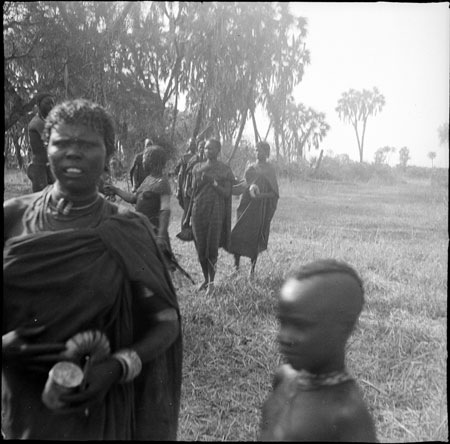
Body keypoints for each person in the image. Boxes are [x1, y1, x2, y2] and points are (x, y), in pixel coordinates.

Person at [3, 99, 182, 440]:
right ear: (47, 147)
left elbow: (165, 321)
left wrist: (117, 367)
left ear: (108, 155)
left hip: (96, 408)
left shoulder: (128, 230)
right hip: (22, 402)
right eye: (61, 143)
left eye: (86, 145)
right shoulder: (12, 217)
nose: (73, 153)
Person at [259, 259, 377, 442]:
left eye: (300, 326)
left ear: (343, 329)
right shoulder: (284, 377)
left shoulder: (347, 414)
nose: (283, 337)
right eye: (282, 322)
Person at [105, 144, 173, 261]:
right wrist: (115, 190)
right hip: (143, 227)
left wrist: (161, 235)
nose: (143, 162)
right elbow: (133, 198)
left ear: (153, 161)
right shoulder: (148, 179)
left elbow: (165, 210)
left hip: (155, 230)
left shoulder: (162, 182)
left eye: (145, 158)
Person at [228, 141, 279, 278]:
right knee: (237, 233)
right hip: (245, 206)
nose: (258, 152)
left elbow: (274, 193)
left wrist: (260, 195)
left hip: (259, 209)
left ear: (266, 152)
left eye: (261, 150)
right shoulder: (250, 167)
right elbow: (244, 184)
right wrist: (228, 189)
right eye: (256, 150)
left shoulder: (270, 170)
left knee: (254, 238)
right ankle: (236, 267)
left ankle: (252, 270)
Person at [191, 138, 234, 294]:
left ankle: (212, 283)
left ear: (218, 150)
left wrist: (213, 182)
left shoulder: (224, 170)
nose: (207, 151)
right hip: (198, 210)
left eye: (211, 148)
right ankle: (205, 278)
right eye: (206, 148)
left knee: (212, 247)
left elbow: (227, 193)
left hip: (216, 211)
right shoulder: (197, 168)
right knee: (200, 247)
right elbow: (192, 192)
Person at [27, 92, 55, 192]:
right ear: (39, 104)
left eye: (53, 103)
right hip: (39, 167)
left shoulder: (46, 122)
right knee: (41, 198)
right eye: (48, 103)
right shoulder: (37, 123)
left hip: (48, 166)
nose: (51, 106)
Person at [174, 138, 198, 221]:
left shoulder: (198, 157)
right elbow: (177, 172)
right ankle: (184, 230)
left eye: (194, 145)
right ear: (188, 146)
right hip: (185, 186)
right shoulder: (184, 158)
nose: (193, 146)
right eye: (191, 144)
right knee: (187, 210)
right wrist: (178, 188)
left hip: (195, 186)